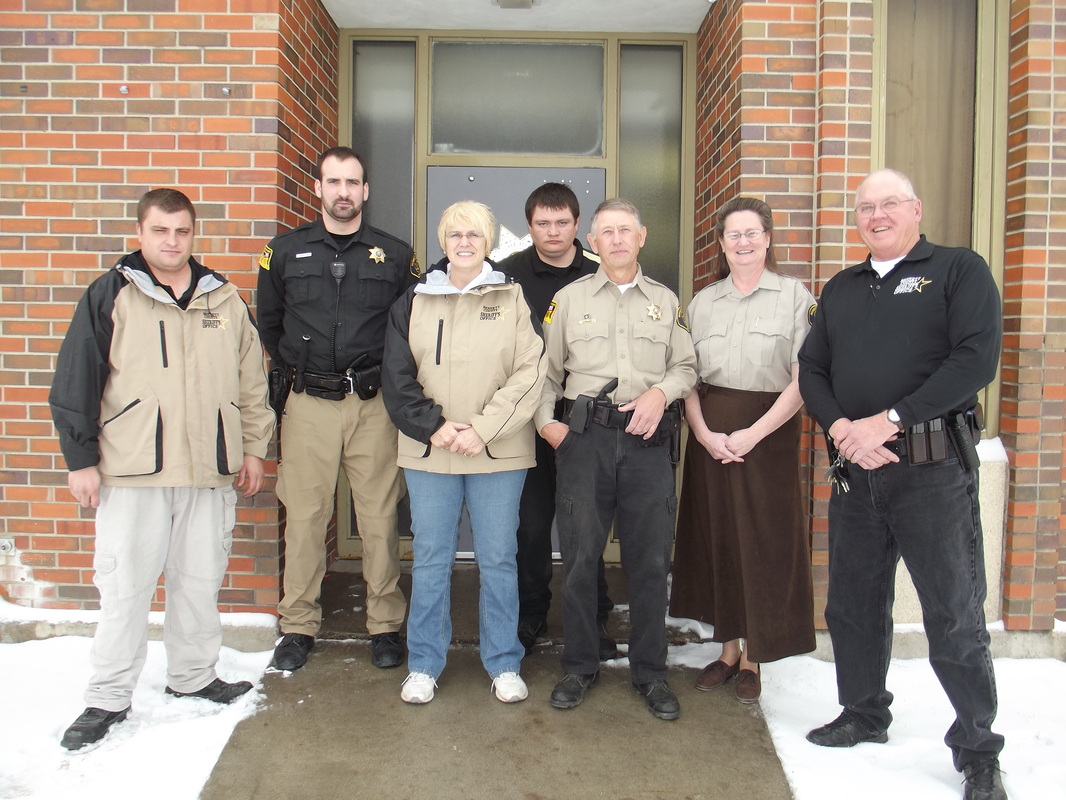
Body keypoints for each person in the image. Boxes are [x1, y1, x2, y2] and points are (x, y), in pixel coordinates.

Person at [797, 169, 1006, 800]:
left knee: (953, 613)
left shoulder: (958, 271)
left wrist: (888, 421)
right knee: (853, 604)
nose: (877, 215)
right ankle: (864, 712)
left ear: (916, 209)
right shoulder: (841, 287)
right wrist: (841, 428)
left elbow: (975, 360)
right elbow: (812, 368)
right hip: (856, 472)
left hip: (932, 470)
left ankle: (976, 749)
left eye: (890, 204)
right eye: (866, 207)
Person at [49, 188, 276, 750]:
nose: (171, 242)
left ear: (193, 233)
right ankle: (107, 696)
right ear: (142, 233)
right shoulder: (111, 294)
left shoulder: (222, 299)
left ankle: (193, 677)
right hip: (132, 472)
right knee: (124, 588)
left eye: (181, 231)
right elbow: (76, 379)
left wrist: (252, 449)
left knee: (199, 582)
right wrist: (80, 459)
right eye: (160, 231)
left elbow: (252, 382)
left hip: (209, 470)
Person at [257, 147, 417, 672]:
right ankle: (298, 624)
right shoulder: (283, 252)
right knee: (304, 518)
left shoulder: (395, 257)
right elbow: (270, 324)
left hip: (372, 406)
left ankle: (386, 624)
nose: (343, 191)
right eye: (334, 181)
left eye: (353, 182)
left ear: (366, 191)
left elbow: (410, 330)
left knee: (378, 517)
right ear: (319, 188)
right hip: (307, 404)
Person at [535, 198, 696, 720]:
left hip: (648, 443)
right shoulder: (568, 299)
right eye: (608, 232)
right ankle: (580, 665)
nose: (618, 240)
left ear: (642, 236)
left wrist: (661, 393)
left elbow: (687, 366)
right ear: (594, 241)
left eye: (626, 230)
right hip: (586, 442)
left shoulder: (667, 302)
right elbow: (544, 372)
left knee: (649, 562)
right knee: (580, 559)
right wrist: (549, 426)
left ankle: (651, 672)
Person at [382, 201, 546, 704]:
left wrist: (483, 429)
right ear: (443, 240)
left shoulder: (513, 298)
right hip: (431, 451)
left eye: (474, 233)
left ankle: (503, 662)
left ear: (490, 240)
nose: (464, 242)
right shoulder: (414, 298)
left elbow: (531, 370)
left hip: (496, 451)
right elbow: (396, 374)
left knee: (498, 556)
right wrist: (434, 427)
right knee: (431, 558)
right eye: (455, 233)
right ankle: (424, 664)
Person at [670, 196, 816, 704]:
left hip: (768, 438)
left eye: (752, 233)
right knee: (717, 539)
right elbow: (684, 374)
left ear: (768, 239)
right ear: (722, 243)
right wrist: (705, 435)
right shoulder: (702, 302)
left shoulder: (796, 297)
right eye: (734, 235)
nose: (743, 242)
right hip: (710, 435)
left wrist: (753, 435)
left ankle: (755, 657)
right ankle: (726, 649)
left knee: (762, 542)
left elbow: (804, 379)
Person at [496, 183, 617, 661]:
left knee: (587, 524)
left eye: (562, 222)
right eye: (543, 223)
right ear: (529, 226)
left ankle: (594, 617)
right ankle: (531, 612)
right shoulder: (506, 277)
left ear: (576, 224)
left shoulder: (598, 273)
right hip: (524, 419)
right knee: (529, 525)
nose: (552, 232)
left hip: (584, 419)